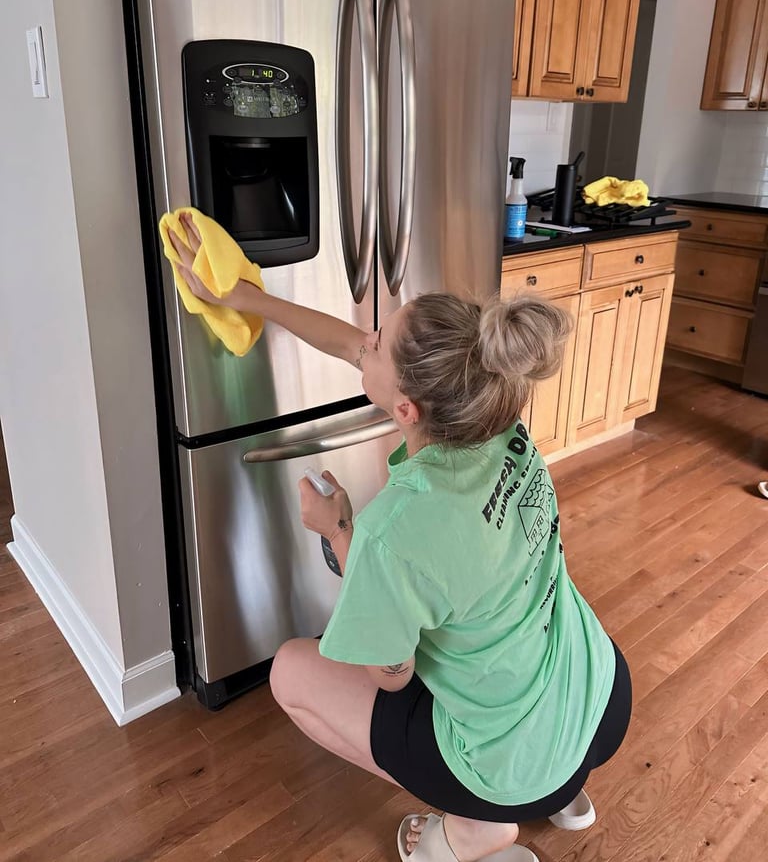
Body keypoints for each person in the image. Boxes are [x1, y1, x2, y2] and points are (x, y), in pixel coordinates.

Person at [169, 214, 633, 862]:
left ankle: (477, 824)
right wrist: (246, 298)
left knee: (290, 673)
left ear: (406, 410)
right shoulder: (501, 422)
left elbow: (392, 675)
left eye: (378, 342)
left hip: (508, 759)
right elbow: (353, 344)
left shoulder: (397, 526)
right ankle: (562, 785)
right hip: (599, 693)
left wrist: (339, 533)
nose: (366, 342)